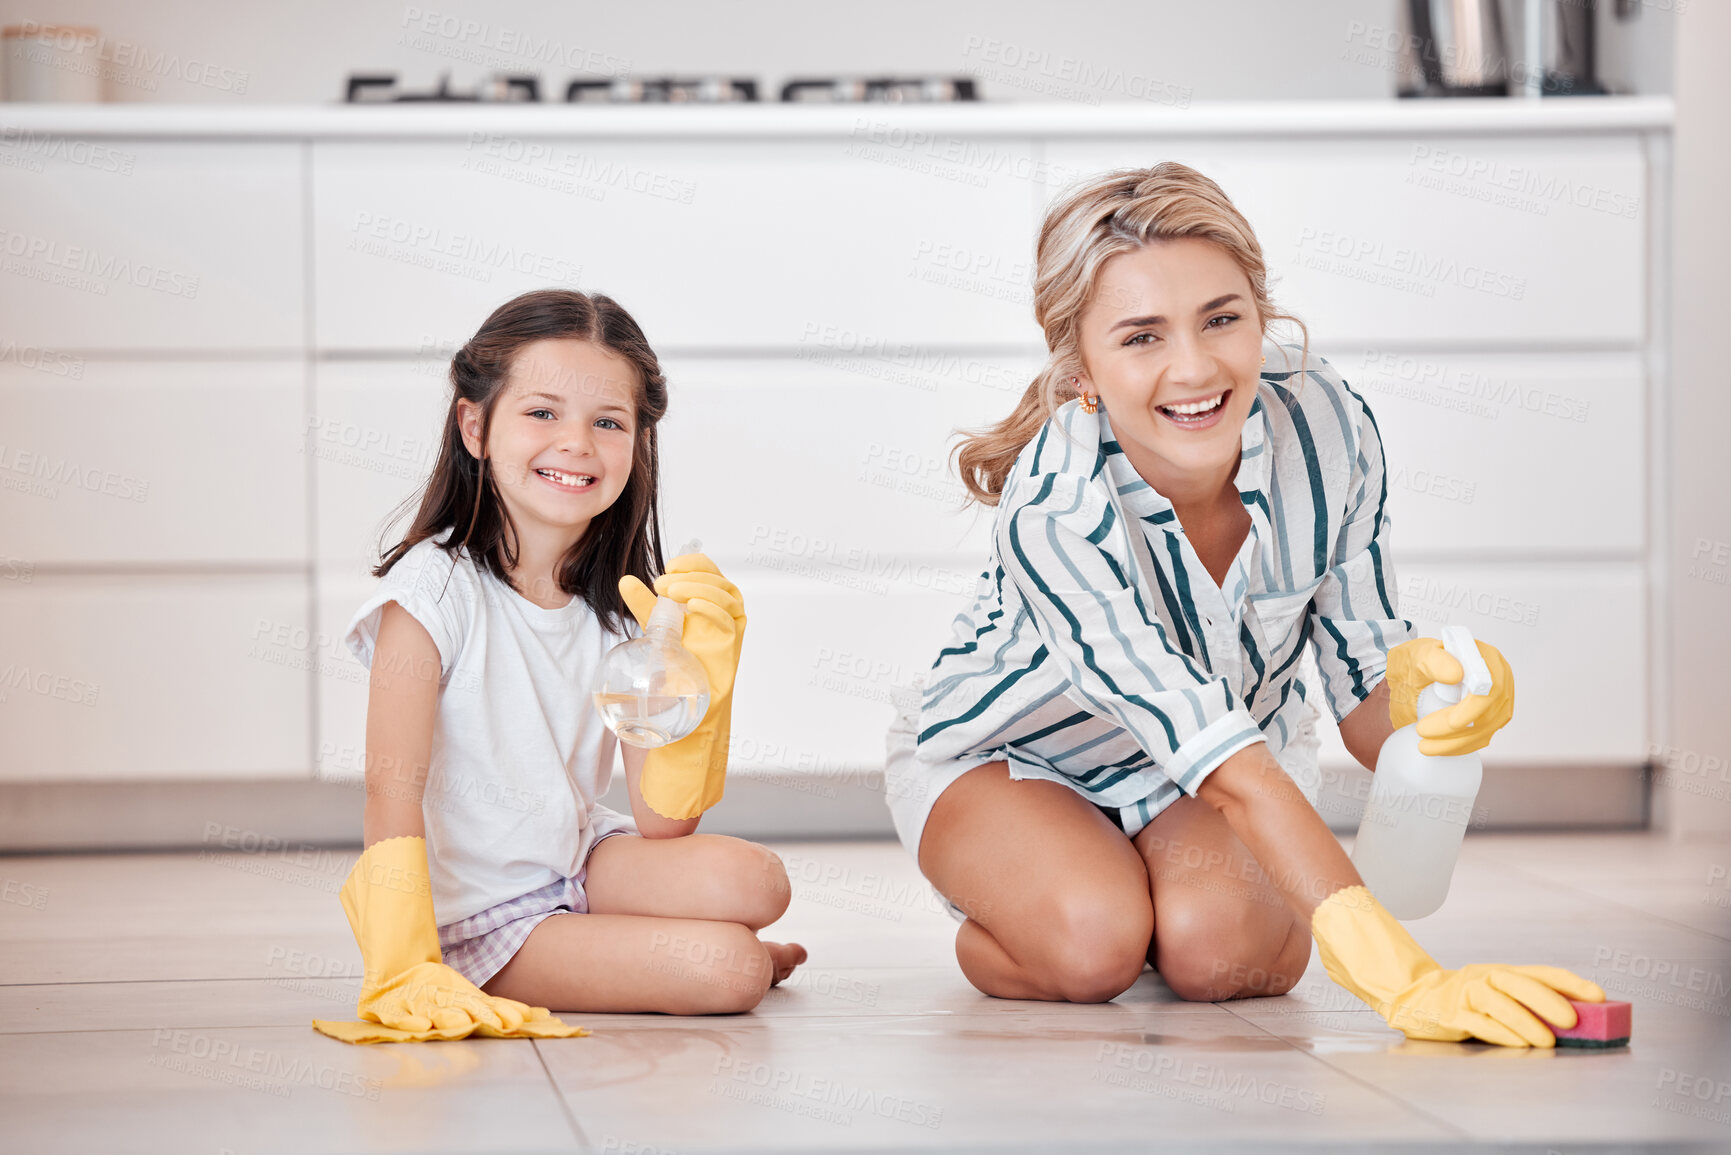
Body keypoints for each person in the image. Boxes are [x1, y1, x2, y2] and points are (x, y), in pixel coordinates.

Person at [884, 163, 1601, 1047]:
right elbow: (1220, 760)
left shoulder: (1327, 422)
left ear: (1261, 315)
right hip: (1017, 757)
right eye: (1141, 336)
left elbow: (1361, 690)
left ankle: (1148, 894)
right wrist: (1402, 978)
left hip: (1211, 770)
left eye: (1221, 318)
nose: (1194, 369)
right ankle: (1047, 918)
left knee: (1225, 960)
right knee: (1094, 946)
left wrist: (1433, 705)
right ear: (1081, 370)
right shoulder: (1057, 507)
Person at [313, 290, 804, 1044]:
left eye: (607, 422)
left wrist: (700, 676)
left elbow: (660, 821)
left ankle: (626, 948)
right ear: (475, 426)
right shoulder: (430, 592)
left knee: (759, 881)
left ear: (636, 444)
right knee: (730, 969)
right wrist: (404, 959)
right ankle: (648, 955)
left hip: (579, 861)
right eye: (541, 413)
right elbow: (390, 788)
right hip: (480, 916)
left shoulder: (624, 607)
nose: (576, 442)